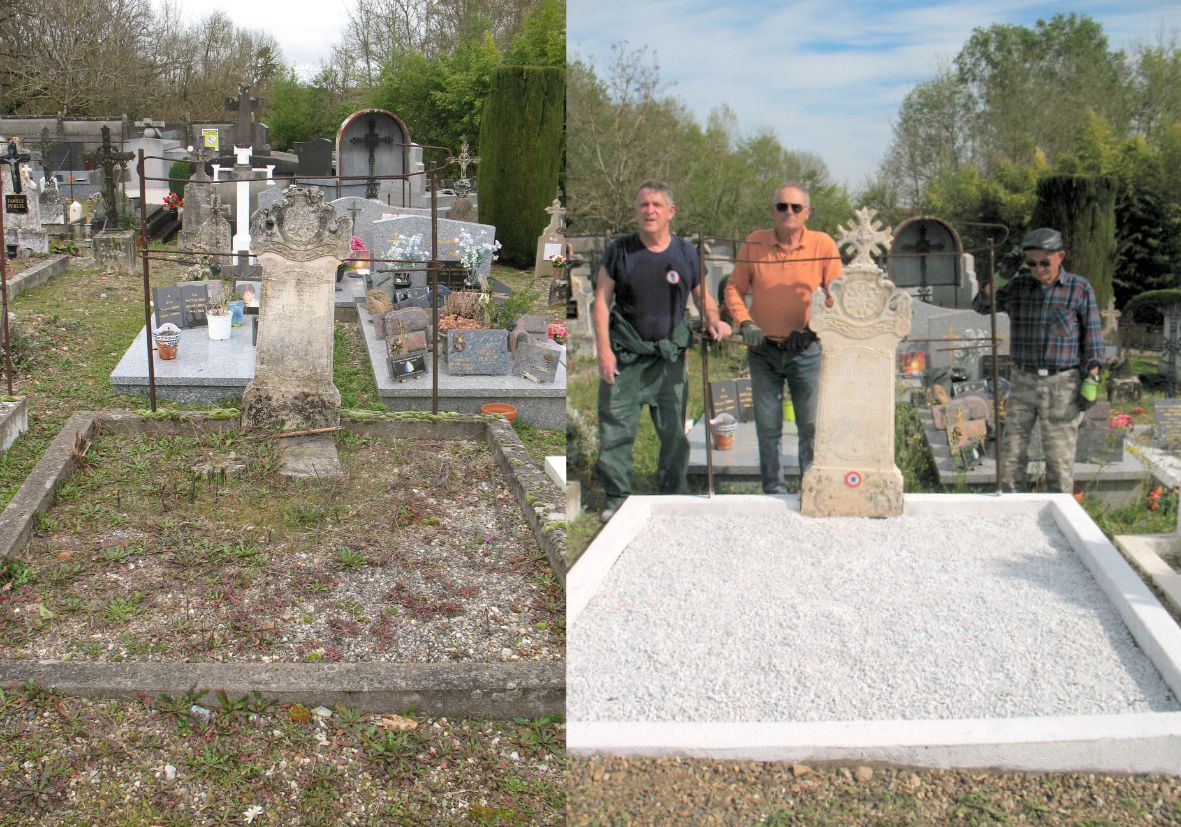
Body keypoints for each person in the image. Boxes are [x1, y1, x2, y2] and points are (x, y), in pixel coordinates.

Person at [593, 181, 731, 521]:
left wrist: (714, 320)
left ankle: (673, 490)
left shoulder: (685, 253)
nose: (649, 210)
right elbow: (601, 301)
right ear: (636, 210)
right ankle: (617, 497)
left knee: (673, 432)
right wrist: (604, 351)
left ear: (671, 211)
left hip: (669, 360)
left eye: (656, 205)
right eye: (643, 204)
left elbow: (703, 297)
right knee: (616, 429)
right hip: (625, 356)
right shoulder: (620, 251)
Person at [723, 183, 842, 493]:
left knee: (811, 425)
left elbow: (837, 295)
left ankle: (812, 488)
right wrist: (745, 322)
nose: (789, 212)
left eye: (795, 207)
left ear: (807, 213)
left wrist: (812, 329)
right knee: (768, 426)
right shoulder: (755, 242)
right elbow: (734, 287)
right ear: (772, 211)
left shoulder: (823, 244)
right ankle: (774, 489)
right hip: (763, 350)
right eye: (782, 206)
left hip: (806, 350)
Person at [973, 227, 1104, 493]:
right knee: (1011, 455)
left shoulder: (1078, 288)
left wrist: (1092, 379)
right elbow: (981, 305)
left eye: (1045, 262)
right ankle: (1013, 507)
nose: (1039, 269)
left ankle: (1059, 507)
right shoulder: (1019, 287)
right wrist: (1000, 276)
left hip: (1062, 382)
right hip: (1023, 380)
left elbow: (1092, 335)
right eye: (1032, 263)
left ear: (1060, 256)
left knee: (1059, 459)